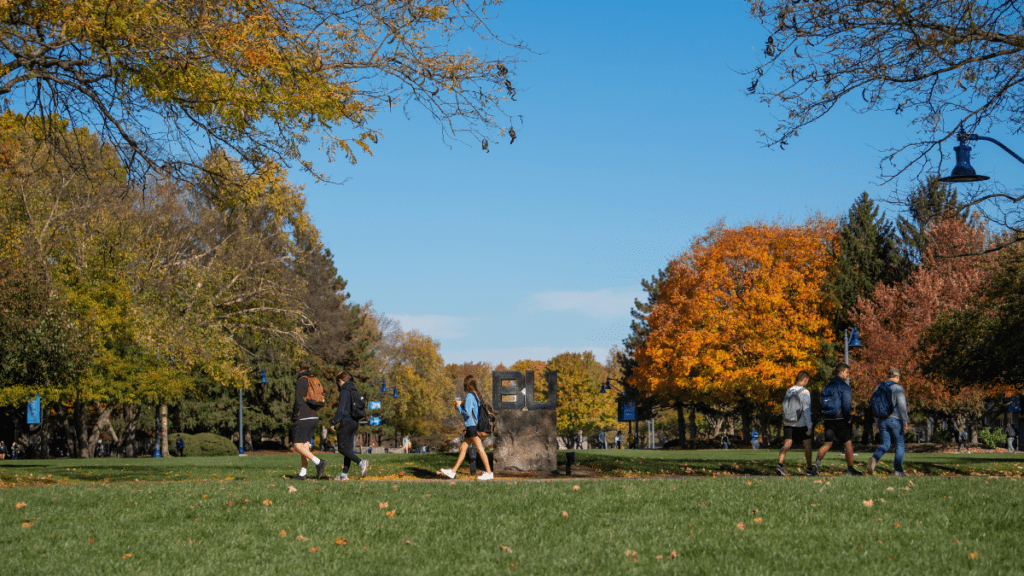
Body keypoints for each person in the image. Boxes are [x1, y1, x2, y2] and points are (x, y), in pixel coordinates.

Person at [439, 375, 494, 480]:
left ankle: (489, 473)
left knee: (479, 448)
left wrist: (459, 406)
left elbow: (467, 413)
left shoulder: (469, 396)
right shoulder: (476, 395)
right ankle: (453, 471)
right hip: (472, 426)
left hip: (471, 426)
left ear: (467, 385)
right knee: (463, 448)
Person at [812, 363, 862, 476]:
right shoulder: (844, 386)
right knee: (848, 443)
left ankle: (817, 463)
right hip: (840, 419)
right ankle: (850, 469)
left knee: (828, 443)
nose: (848, 375)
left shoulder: (828, 385)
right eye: (847, 372)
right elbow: (847, 404)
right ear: (841, 372)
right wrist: (848, 418)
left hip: (828, 418)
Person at [867, 368, 910, 477]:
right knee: (900, 444)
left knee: (885, 444)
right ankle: (898, 470)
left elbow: (874, 404)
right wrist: (905, 420)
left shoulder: (879, 387)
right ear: (897, 377)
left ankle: (874, 458)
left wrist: (877, 420)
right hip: (895, 419)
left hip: (882, 420)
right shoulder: (898, 387)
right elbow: (902, 405)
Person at [291, 359, 327, 480]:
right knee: (305, 445)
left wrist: (295, 414)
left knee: (297, 446)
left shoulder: (301, 381)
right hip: (314, 416)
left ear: (299, 369)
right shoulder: (314, 379)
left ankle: (318, 462)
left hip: (303, 416)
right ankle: (303, 473)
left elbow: (298, 401)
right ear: (310, 369)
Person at [329, 372, 368, 480]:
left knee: (342, 448)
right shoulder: (354, 390)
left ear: (340, 381)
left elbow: (341, 409)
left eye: (338, 383)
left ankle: (361, 462)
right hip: (354, 422)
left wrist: (334, 422)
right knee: (348, 449)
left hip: (346, 422)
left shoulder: (345, 391)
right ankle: (344, 473)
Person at [776, 371, 813, 476]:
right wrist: (809, 426)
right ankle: (809, 469)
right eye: (807, 381)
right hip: (801, 424)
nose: (807, 382)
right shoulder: (805, 392)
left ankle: (779, 464)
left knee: (787, 444)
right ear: (805, 379)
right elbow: (806, 410)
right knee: (808, 445)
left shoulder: (789, 390)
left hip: (788, 422)